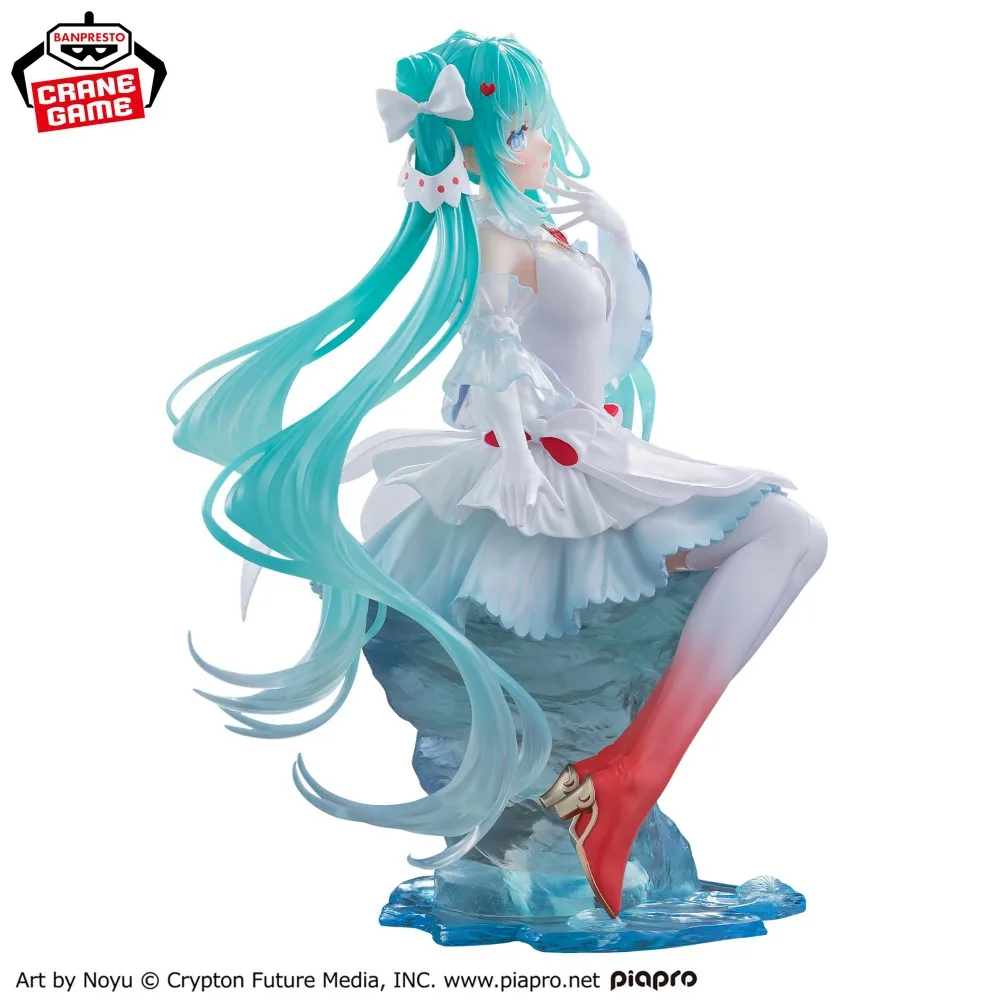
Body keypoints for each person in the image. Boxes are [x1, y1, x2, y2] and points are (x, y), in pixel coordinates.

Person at [169, 30, 826, 919]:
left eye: (538, 126)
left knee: (794, 536)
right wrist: (517, 453)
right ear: (483, 148)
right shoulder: (492, 236)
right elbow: (489, 361)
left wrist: (618, 234)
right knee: (787, 532)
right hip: (551, 469)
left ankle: (622, 778)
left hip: (594, 448)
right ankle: (620, 781)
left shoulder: (543, 230)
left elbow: (612, 347)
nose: (545, 143)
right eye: (524, 130)